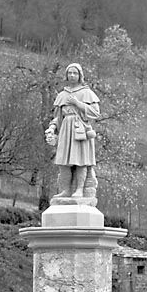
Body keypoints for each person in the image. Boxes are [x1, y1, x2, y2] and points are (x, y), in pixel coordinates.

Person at [45, 63, 100, 198]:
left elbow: (95, 113)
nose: (72, 75)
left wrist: (78, 103)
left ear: (80, 75)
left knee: (80, 161)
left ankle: (80, 190)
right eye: (69, 73)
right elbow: (57, 118)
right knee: (64, 163)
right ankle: (66, 190)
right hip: (65, 130)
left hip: (80, 130)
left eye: (75, 73)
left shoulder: (87, 93)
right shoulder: (62, 95)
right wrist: (52, 128)